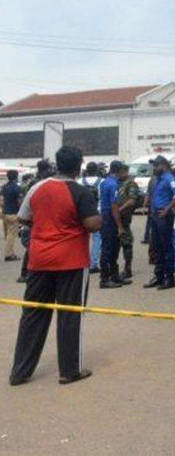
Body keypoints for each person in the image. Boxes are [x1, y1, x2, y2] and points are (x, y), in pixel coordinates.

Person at [9, 145, 101, 386]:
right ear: (78, 165)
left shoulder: (37, 187)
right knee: (70, 315)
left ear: (57, 164)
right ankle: (70, 370)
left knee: (33, 314)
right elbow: (92, 224)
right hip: (71, 260)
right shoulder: (80, 191)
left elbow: (23, 217)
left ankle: (20, 371)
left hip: (39, 259)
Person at [143, 156, 175, 290]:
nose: (154, 168)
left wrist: (167, 209)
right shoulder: (157, 179)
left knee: (166, 247)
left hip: (163, 216)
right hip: (155, 215)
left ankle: (169, 278)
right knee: (157, 247)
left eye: (156, 165)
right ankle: (158, 276)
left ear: (164, 165)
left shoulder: (169, 178)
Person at [17, 160, 55, 284]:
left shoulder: (31, 182)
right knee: (31, 248)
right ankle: (25, 273)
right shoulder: (38, 183)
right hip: (35, 218)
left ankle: (28, 273)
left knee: (33, 247)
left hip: (32, 217)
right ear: (47, 169)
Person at [98, 160, 125, 289]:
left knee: (113, 247)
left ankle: (114, 276)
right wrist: (119, 225)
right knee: (109, 248)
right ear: (119, 171)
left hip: (105, 216)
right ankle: (105, 278)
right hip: (110, 218)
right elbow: (114, 206)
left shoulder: (104, 182)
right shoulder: (113, 184)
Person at [116, 163, 140, 282]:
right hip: (117, 217)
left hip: (124, 217)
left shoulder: (130, 184)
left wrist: (119, 210)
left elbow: (131, 201)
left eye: (120, 172)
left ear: (125, 171)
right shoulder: (117, 183)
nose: (118, 174)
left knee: (126, 243)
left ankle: (127, 268)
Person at [80, 162, 103, 273]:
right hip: (97, 212)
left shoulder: (80, 182)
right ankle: (94, 263)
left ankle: (81, 262)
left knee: (81, 238)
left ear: (87, 171)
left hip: (81, 213)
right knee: (97, 238)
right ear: (96, 170)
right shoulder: (101, 182)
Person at [2, 169, 22, 261]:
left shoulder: (4, 187)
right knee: (12, 235)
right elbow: (19, 201)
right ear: (16, 177)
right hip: (14, 213)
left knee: (9, 234)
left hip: (5, 213)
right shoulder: (17, 188)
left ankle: (10, 251)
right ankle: (8, 254)